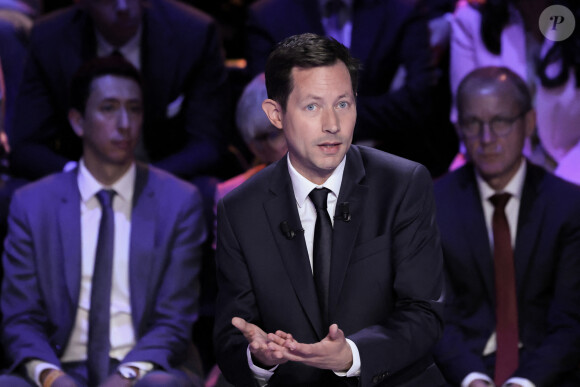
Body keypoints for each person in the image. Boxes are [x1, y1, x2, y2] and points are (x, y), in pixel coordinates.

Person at [214, 33, 445, 386]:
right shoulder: (240, 210)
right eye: (312, 106)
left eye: (343, 104)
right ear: (275, 114)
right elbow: (232, 337)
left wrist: (353, 354)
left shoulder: (402, 184)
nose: (332, 125)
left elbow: (424, 313)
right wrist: (259, 358)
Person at [0, 56, 207, 387]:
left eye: (134, 109)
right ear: (78, 121)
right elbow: (20, 318)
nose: (125, 123)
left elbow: (173, 319)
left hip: (144, 368)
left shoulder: (178, 201)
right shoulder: (32, 204)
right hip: (60, 364)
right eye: (109, 108)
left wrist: (124, 377)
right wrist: (53, 378)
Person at [433, 66, 580, 387]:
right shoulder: (432, 205)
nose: (486, 139)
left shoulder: (568, 207)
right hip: (462, 368)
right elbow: (437, 317)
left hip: (548, 370)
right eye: (473, 124)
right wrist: (471, 378)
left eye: (500, 122)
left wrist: (524, 382)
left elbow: (570, 321)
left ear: (528, 123)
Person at [10, 0, 228, 182]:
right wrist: (79, 176)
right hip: (79, 177)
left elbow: (209, 143)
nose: (123, 6)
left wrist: (144, 180)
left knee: (208, 192)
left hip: (164, 172)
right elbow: (26, 145)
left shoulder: (193, 33)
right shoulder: (50, 38)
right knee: (15, 196)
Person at [243, 0, 458, 178]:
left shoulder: (402, 9)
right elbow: (268, 109)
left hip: (389, 166)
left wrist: (313, 111)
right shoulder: (268, 15)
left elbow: (418, 102)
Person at [449, 0, 580, 185]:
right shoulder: (472, 18)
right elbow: (468, 119)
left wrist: (563, 187)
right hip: (496, 169)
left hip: (571, 170)